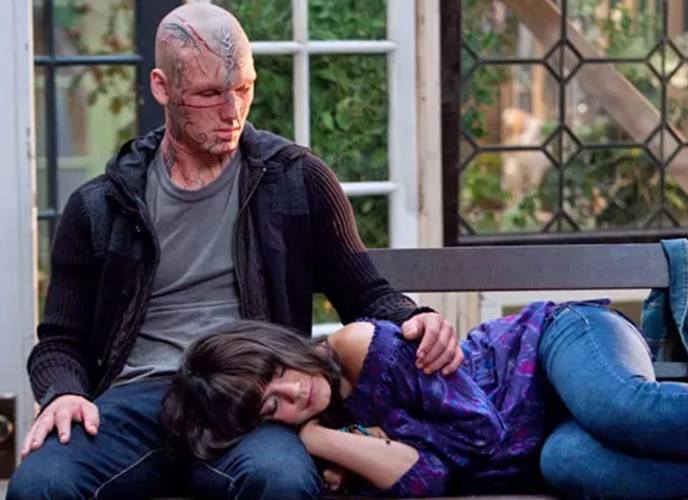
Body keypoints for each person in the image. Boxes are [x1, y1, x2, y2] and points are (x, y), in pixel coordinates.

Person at [7, 4, 463, 499]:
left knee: (281, 480)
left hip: (252, 402)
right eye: (209, 94)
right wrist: (65, 392)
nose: (232, 112)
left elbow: (367, 296)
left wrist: (416, 318)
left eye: (243, 88)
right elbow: (60, 340)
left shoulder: (295, 180)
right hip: (135, 402)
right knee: (39, 484)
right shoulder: (101, 205)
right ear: (161, 87)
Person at [163, 300, 688, 499]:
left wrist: (374, 448)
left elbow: (482, 432)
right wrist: (318, 438)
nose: (295, 391)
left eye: (278, 372)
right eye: (273, 407)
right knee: (572, 466)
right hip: (543, 441)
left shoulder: (361, 348)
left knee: (618, 408)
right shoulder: (323, 437)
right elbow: (432, 482)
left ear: (279, 346)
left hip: (553, 347)